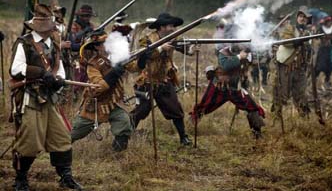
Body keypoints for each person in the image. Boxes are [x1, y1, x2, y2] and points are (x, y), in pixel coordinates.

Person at [9, 4, 82, 190]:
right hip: (30, 98)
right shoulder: (24, 43)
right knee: (30, 141)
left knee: (61, 138)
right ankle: (21, 178)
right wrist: (42, 73)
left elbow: (60, 70)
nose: (51, 31)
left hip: (50, 98)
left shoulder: (54, 44)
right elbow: (16, 69)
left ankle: (65, 176)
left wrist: (58, 80)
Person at [130, 13, 193, 146]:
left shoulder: (173, 38)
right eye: (170, 26)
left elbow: (185, 48)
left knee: (176, 110)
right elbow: (142, 57)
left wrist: (192, 49)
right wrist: (159, 49)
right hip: (146, 81)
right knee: (141, 111)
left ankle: (183, 138)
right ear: (161, 27)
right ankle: (125, 135)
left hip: (164, 80)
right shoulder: (146, 39)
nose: (173, 28)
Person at [70, 31, 135, 151]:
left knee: (124, 123)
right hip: (96, 105)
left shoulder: (118, 57)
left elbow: (135, 67)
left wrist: (145, 57)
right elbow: (98, 87)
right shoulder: (93, 64)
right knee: (75, 133)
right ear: (97, 46)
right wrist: (113, 74)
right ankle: (59, 148)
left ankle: (117, 155)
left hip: (114, 102)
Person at [189, 46, 265, 139]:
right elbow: (226, 66)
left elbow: (258, 62)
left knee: (252, 107)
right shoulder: (224, 52)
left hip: (236, 89)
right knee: (203, 106)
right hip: (219, 88)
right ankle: (190, 127)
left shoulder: (247, 53)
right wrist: (239, 57)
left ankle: (257, 134)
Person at [272, 6, 313, 121]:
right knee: (282, 93)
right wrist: (299, 40)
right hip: (286, 66)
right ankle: (277, 117)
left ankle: (304, 119)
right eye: (301, 16)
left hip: (300, 68)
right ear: (297, 18)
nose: (302, 19)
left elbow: (308, 51)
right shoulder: (289, 28)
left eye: (305, 17)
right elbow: (286, 42)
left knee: (301, 94)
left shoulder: (309, 32)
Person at [69, 4, 96, 98]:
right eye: (84, 16)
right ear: (79, 16)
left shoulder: (91, 26)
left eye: (88, 16)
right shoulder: (73, 26)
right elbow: (72, 44)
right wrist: (85, 31)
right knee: (77, 81)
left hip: (89, 58)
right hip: (75, 58)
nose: (86, 18)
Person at [315, 16, 332, 87]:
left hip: (330, 50)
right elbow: (316, 37)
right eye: (328, 22)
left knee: (330, 67)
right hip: (322, 50)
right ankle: (314, 79)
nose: (330, 23)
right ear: (326, 22)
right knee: (320, 66)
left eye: (331, 22)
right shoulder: (321, 29)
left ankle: (327, 81)